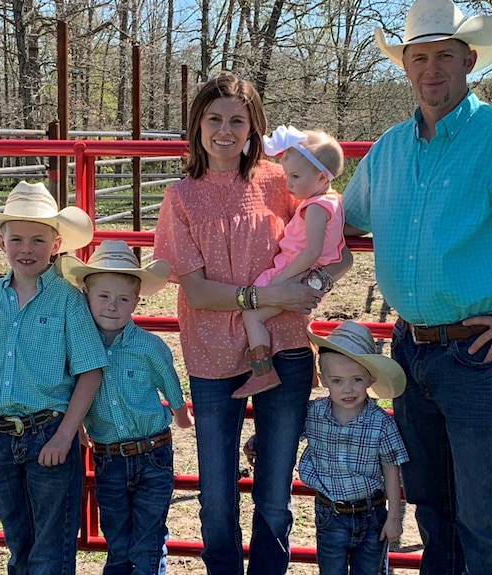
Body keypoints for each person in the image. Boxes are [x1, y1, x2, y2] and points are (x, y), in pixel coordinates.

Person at [343, 0, 492, 573]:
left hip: (479, 354)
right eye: (420, 57)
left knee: (486, 519)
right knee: (432, 511)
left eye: (445, 55)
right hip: (410, 350)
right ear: (406, 66)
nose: (431, 69)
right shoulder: (389, 149)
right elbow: (340, 221)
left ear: (469, 60)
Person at [152, 72, 352, 575]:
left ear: (253, 127)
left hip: (283, 345)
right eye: (214, 118)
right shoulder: (182, 195)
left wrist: (318, 284)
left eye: (236, 120)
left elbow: (334, 247)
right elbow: (195, 289)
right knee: (217, 495)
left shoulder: (282, 180)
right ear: (197, 124)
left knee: (275, 495)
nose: (225, 130)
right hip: (212, 352)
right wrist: (265, 294)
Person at [0, 181, 108, 575]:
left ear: (56, 245)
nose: (26, 249)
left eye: (38, 239)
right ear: (0, 242)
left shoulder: (69, 298)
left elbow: (90, 370)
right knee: (19, 545)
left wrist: (65, 435)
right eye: (16, 238)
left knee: (50, 551)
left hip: (47, 434)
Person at [56, 239, 195, 574]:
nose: (112, 306)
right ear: (86, 295)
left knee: (146, 542)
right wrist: (75, 424)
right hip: (108, 458)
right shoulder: (75, 346)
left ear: (136, 300)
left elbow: (168, 380)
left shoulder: (150, 346)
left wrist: (180, 414)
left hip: (152, 454)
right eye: (103, 296)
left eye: (122, 299)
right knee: (118, 542)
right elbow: (67, 390)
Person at [246, 321, 408, 575]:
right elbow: (284, 435)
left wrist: (394, 517)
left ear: (370, 378)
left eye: (356, 379)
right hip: (330, 514)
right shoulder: (313, 414)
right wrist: (260, 441)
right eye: (337, 380)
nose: (348, 389)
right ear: (323, 380)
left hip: (372, 513)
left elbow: (390, 467)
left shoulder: (381, 423)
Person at [234, 126, 346, 399]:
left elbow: (311, 251)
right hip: (302, 271)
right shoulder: (332, 202)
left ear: (321, 177)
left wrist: (280, 281)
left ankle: (262, 372)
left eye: (295, 177)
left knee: (252, 313)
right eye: (288, 176)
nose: (289, 184)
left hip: (293, 270)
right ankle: (308, 373)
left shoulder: (316, 208)